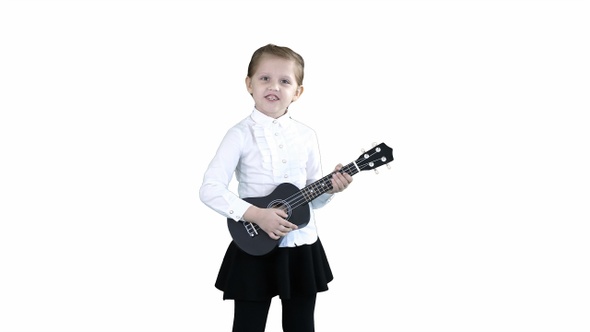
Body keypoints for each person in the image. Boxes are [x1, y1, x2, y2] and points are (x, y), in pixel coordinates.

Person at [199, 43, 353, 332]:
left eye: (285, 81)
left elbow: (311, 197)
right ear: (249, 84)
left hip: (300, 244)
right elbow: (210, 188)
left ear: (298, 92)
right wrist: (256, 215)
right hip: (253, 242)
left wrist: (330, 189)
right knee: (248, 326)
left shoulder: (307, 136)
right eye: (264, 78)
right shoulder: (239, 135)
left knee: (301, 325)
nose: (274, 86)